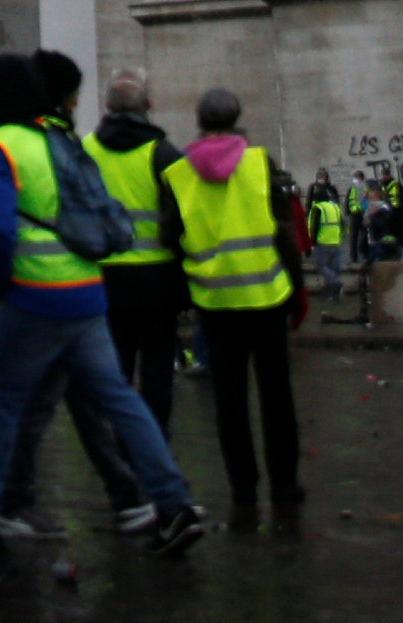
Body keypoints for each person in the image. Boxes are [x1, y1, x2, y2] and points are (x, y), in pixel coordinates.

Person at [0, 54, 205, 558]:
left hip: (31, 293)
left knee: (0, 399)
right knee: (120, 398)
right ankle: (172, 502)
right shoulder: (60, 141)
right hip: (88, 293)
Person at [159, 86, 303, 514]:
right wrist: (297, 291)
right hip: (268, 297)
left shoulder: (178, 175)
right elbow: (285, 235)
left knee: (230, 401)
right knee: (277, 397)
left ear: (199, 123)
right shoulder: (260, 163)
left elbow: (171, 238)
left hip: (215, 303)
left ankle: (243, 489)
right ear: (237, 119)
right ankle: (285, 485)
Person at [82, 70, 185, 426]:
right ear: (148, 105)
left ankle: (118, 442)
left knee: (114, 374)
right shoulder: (164, 153)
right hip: (158, 282)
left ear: (107, 106)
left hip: (103, 279)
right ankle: (154, 443)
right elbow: (182, 219)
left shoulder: (85, 150)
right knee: (158, 375)